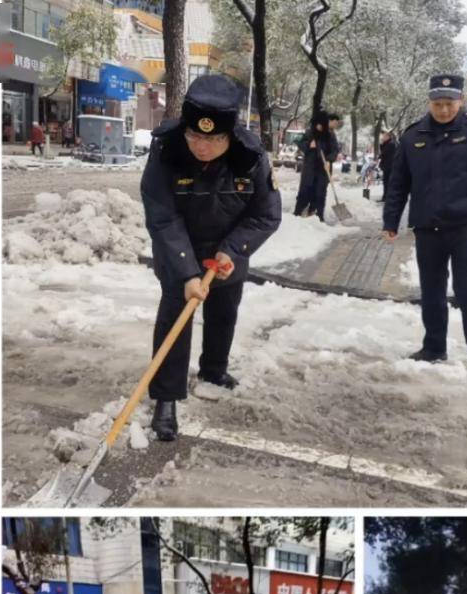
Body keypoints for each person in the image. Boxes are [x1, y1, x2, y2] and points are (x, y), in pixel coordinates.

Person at [140, 73, 282, 442]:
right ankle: (166, 398)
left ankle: (214, 370)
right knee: (175, 319)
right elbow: (162, 215)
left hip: (227, 255)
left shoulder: (251, 156)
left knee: (223, 312)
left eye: (213, 139)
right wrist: (187, 271)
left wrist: (232, 251)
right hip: (178, 253)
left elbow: (266, 214)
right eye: (194, 136)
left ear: (230, 135)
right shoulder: (167, 150)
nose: (201, 146)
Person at [383, 74, 467, 377]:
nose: (443, 110)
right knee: (431, 290)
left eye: (449, 103)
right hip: (427, 226)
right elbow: (398, 184)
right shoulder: (412, 136)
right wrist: (390, 221)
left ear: (459, 102)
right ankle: (434, 346)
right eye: (437, 104)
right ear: (429, 102)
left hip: (465, 226)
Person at [295, 110, 339, 221]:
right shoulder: (309, 133)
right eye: (317, 124)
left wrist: (329, 159)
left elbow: (335, 150)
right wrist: (309, 145)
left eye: (321, 124)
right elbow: (300, 143)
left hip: (323, 169)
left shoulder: (330, 135)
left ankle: (318, 216)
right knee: (305, 190)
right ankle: (297, 213)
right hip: (309, 168)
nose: (319, 126)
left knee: (320, 192)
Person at [378, 130, 396, 199]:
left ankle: (386, 197)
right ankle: (385, 197)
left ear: (388, 136)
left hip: (389, 166)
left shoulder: (391, 144)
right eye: (383, 136)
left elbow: (384, 153)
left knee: (387, 182)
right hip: (387, 166)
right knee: (386, 182)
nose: (383, 137)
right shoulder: (387, 143)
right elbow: (383, 152)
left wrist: (382, 144)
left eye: (384, 136)